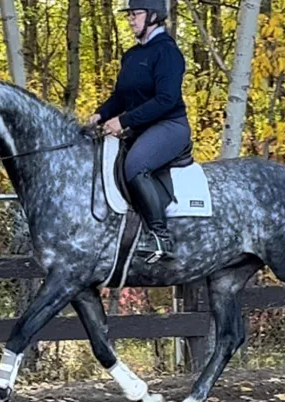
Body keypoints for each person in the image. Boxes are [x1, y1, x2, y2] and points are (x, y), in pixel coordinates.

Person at [88, 0, 190, 263]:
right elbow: (120, 98)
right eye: (130, 15)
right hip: (139, 127)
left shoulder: (167, 53)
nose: (131, 20)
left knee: (135, 165)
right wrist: (100, 115)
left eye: (136, 14)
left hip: (169, 126)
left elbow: (166, 99)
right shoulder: (132, 55)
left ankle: (160, 236)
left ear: (153, 16)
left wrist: (123, 122)